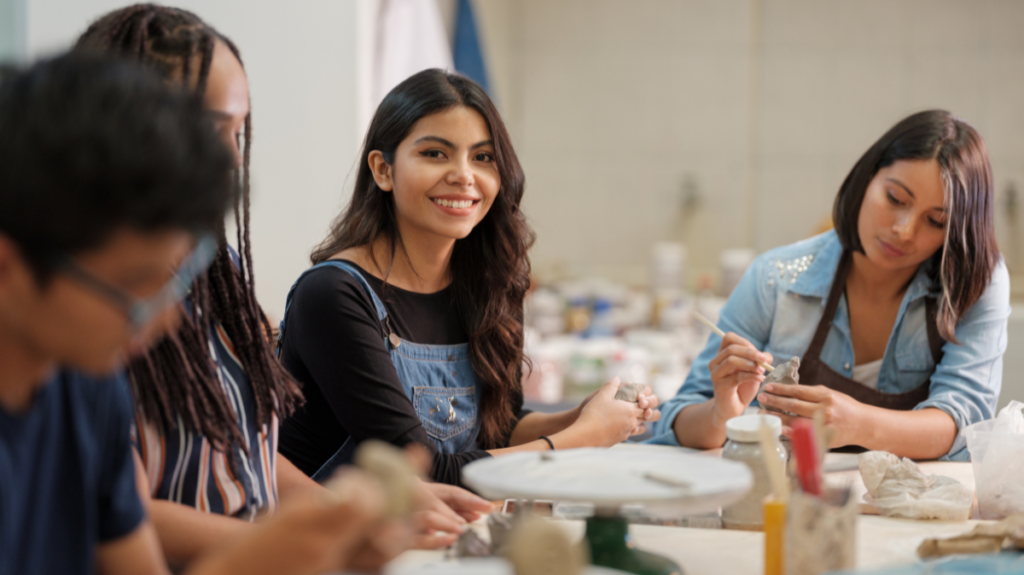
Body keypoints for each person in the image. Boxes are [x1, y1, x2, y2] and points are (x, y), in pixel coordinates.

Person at [74, 5, 484, 563]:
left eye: (238, 131)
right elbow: (105, 514)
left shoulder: (218, 268)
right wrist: (303, 537)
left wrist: (338, 516)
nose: (231, 157)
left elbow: (246, 451)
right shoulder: (76, 300)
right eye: (207, 128)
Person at [0, 52, 398, 575]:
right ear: (9, 266)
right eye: (130, 286)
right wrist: (258, 556)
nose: (165, 320)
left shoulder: (88, 387)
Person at [277, 68, 662, 486]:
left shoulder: (487, 285)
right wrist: (581, 439)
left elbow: (496, 433)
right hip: (336, 544)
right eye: (435, 154)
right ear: (383, 170)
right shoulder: (333, 295)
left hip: (437, 538)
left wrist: (584, 416)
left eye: (482, 157)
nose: (464, 175)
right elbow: (419, 475)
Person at [653, 110, 1008, 461]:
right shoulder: (776, 278)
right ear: (868, 177)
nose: (904, 230)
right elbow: (677, 418)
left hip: (915, 513)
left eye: (935, 221)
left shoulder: (975, 283)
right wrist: (721, 414)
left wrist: (862, 425)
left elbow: (965, 421)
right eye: (896, 199)